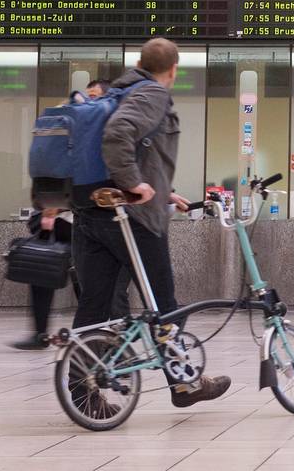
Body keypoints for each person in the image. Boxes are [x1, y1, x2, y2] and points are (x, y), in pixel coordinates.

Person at [71, 38, 231, 407]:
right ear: (173, 69)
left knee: (93, 307)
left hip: (92, 213)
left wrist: (162, 189)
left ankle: (82, 393)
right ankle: (184, 383)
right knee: (166, 305)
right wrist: (133, 184)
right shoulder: (152, 94)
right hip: (132, 219)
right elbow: (118, 136)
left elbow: (140, 150)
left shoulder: (117, 91)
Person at [10, 207, 131, 350]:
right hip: (78, 222)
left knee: (104, 289)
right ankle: (107, 342)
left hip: (98, 224)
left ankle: (116, 343)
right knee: (48, 272)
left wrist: (53, 208)